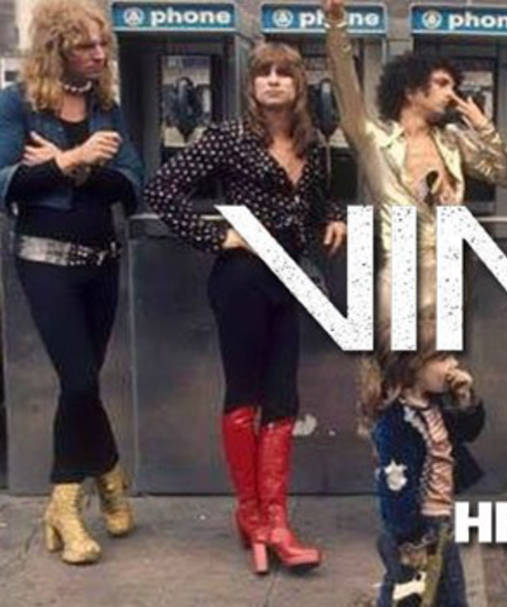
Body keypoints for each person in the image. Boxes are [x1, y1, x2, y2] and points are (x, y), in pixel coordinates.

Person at [145, 42, 346, 574]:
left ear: (300, 85)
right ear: (251, 84)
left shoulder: (311, 143)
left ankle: (275, 520)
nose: (274, 80)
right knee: (244, 396)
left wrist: (335, 216)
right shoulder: (228, 137)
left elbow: (318, 197)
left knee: (283, 399)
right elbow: (161, 189)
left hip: (289, 278)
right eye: (264, 73)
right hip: (241, 279)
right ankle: (253, 516)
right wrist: (217, 238)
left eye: (284, 73)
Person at [0, 0, 143, 565]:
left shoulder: (107, 107)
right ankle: (72, 498)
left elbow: (132, 183)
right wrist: (69, 161)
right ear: (56, 48)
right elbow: (7, 182)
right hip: (44, 261)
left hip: (102, 260)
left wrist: (75, 166)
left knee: (81, 384)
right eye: (86, 45)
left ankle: (102, 475)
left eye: (103, 44)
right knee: (79, 379)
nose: (100, 54)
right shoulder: (17, 104)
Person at [321, 0, 507, 321]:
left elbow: (502, 175)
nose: (452, 94)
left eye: (454, 86)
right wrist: (336, 25)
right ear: (411, 91)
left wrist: (484, 127)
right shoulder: (373, 140)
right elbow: (346, 89)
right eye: (442, 84)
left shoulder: (452, 140)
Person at [360, 322, 485, 607]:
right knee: (431, 594)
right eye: (443, 357)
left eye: (453, 355)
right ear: (412, 367)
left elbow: (468, 432)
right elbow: (395, 488)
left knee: (410, 591)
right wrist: (411, 538)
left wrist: (466, 400)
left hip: (438, 518)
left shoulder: (435, 402)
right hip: (418, 526)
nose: (454, 364)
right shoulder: (396, 423)